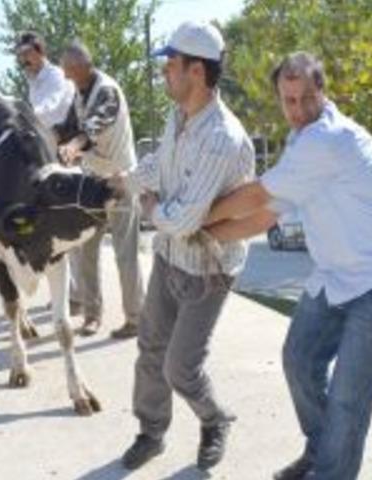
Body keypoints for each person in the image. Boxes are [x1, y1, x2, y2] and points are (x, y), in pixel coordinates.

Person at [204, 52, 372, 480]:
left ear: (323, 92)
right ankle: (322, 452)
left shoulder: (331, 139)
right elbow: (267, 215)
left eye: (307, 97)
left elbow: (253, 196)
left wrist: (195, 215)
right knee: (299, 360)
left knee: (348, 400)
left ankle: (330, 471)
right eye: (289, 101)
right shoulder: (300, 145)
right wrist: (208, 235)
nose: (298, 110)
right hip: (335, 276)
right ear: (279, 99)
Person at [115, 21, 255, 472]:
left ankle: (215, 419)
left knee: (181, 368)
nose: (164, 73)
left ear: (196, 71)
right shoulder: (180, 119)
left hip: (208, 269)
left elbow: (183, 220)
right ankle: (151, 432)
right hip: (169, 259)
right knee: (150, 347)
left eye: (170, 64)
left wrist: (151, 205)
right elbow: (157, 166)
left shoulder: (220, 137)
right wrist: (119, 184)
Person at [54, 41, 145, 339]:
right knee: (84, 250)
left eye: (69, 71)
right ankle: (92, 316)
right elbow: (68, 127)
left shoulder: (107, 91)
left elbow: (93, 127)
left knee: (125, 254)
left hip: (120, 180)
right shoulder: (79, 94)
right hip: (93, 180)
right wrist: (53, 138)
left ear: (82, 66)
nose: (66, 77)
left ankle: (135, 318)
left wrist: (74, 145)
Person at [14, 31, 75, 132]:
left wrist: (21, 117)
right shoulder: (33, 80)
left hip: (67, 134)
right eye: (20, 54)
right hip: (48, 135)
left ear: (41, 52)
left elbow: (48, 110)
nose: (24, 59)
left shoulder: (55, 75)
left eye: (27, 53)